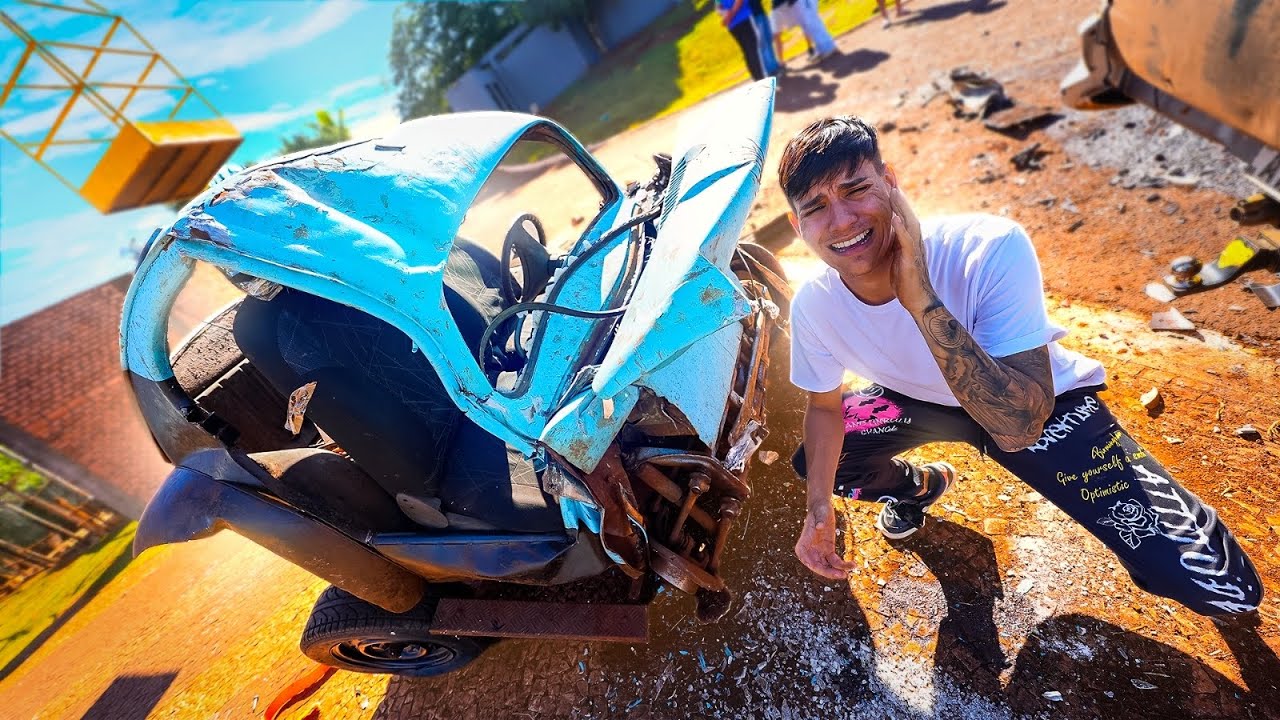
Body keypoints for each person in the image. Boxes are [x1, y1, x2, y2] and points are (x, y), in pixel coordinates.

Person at [780, 116, 1263, 618]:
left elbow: (1017, 424)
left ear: (891, 183)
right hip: (921, 400)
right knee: (819, 466)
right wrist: (818, 507)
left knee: (1222, 589)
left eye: (856, 190)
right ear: (798, 227)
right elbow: (823, 407)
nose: (840, 221)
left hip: (1037, 401)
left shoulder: (984, 247)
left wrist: (919, 297)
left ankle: (1174, 531)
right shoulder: (814, 305)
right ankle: (920, 487)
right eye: (815, 208)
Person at [771, 0, 837, 65]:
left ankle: (827, 47)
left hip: (795, 3)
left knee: (810, 21)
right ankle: (823, 48)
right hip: (785, 4)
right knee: (807, 24)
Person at [719, 0, 767, 82]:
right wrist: (731, 14)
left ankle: (758, 81)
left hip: (732, 24)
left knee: (748, 52)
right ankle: (762, 80)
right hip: (744, 17)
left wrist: (726, 16)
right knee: (754, 50)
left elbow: (719, 6)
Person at [747, 0, 781, 75]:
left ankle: (774, 65)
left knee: (768, 39)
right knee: (763, 43)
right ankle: (770, 70)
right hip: (754, 16)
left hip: (761, 13)